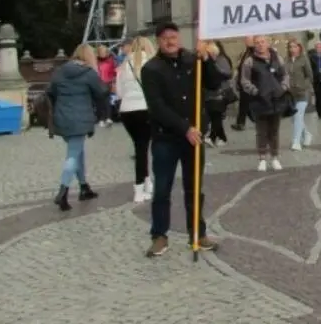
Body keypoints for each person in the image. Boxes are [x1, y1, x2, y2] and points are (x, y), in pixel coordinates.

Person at [141, 23, 225, 258]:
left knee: (194, 189)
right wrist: (184, 127)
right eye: (166, 38)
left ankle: (198, 234)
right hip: (166, 138)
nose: (170, 41)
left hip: (194, 138)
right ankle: (159, 236)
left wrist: (207, 59)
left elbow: (216, 82)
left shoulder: (192, 59)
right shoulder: (151, 69)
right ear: (158, 41)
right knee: (162, 190)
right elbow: (157, 107)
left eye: (174, 37)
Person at [47, 43, 110, 211]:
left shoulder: (60, 71)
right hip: (80, 118)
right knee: (72, 156)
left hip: (62, 118)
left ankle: (84, 187)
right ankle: (63, 191)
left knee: (77, 151)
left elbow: (50, 91)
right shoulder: (89, 73)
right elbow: (101, 92)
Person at [240, 35, 290, 171]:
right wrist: (255, 91)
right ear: (254, 45)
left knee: (274, 131)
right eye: (257, 43)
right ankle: (262, 158)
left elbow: (285, 75)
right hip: (259, 101)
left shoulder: (277, 58)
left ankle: (275, 157)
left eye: (262, 42)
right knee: (261, 131)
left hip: (276, 100)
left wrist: (283, 87)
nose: (260, 45)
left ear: (267, 43)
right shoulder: (249, 61)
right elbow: (244, 80)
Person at [116, 35, 156, 203]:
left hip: (126, 110)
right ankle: (139, 188)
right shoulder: (152, 64)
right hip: (145, 109)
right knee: (142, 149)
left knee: (140, 147)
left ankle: (147, 182)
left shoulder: (124, 65)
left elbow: (118, 92)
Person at [203, 41, 234, 147]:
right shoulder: (207, 62)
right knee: (215, 115)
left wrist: (217, 71)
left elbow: (228, 73)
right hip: (210, 93)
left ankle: (212, 137)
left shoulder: (221, 59)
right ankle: (221, 137)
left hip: (220, 92)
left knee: (216, 115)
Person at [287, 39, 314, 151]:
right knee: (294, 118)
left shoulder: (304, 60)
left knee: (298, 116)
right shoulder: (286, 60)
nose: (292, 49)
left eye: (294, 46)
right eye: (290, 47)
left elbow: (310, 76)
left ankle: (296, 142)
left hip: (302, 93)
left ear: (299, 47)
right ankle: (307, 134)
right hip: (290, 93)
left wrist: (303, 85)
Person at [231, 36, 254, 131]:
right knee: (244, 104)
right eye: (245, 39)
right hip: (243, 81)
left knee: (246, 104)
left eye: (248, 39)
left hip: (249, 81)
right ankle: (241, 123)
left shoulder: (253, 52)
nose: (246, 41)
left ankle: (241, 123)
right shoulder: (246, 51)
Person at [95, 44, 118, 127]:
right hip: (98, 83)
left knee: (107, 101)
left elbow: (115, 72)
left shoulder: (111, 61)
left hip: (108, 82)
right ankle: (101, 118)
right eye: (101, 51)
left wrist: (114, 82)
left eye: (104, 51)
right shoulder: (95, 61)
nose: (102, 53)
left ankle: (108, 118)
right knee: (100, 101)